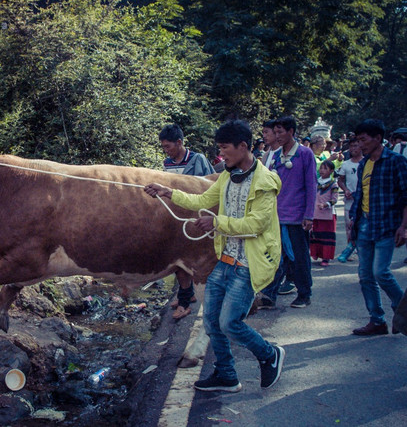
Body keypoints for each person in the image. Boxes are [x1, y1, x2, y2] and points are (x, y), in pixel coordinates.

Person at [144, 120, 285, 393]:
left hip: (249, 262)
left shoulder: (265, 182)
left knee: (229, 323)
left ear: (243, 147)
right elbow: (200, 201)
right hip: (226, 259)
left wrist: (216, 223)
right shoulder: (227, 176)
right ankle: (227, 375)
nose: (222, 155)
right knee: (210, 320)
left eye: (225, 149)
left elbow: (255, 225)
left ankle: (270, 354)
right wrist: (168, 192)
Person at [348, 119, 407, 336]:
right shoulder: (364, 163)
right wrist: (353, 223)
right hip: (364, 226)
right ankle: (377, 320)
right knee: (365, 275)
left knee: (381, 272)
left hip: (387, 226)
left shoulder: (396, 161)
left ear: (378, 139)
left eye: (364, 140)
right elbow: (360, 196)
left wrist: (403, 226)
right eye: (358, 140)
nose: (360, 144)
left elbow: (406, 195)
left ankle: (403, 312)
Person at [259, 116, 317, 309]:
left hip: (297, 217)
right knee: (275, 257)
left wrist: (309, 215)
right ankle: (269, 294)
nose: (277, 136)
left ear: (291, 131)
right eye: (274, 132)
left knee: (298, 257)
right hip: (276, 216)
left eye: (280, 132)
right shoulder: (275, 156)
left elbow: (311, 186)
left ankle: (304, 294)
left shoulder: (304, 154)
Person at [159, 124, 214, 319]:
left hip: (195, 215)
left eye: (168, 146)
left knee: (185, 261)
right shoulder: (167, 163)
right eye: (164, 147)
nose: (166, 150)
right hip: (176, 217)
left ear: (179, 143)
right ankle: (186, 294)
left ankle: (185, 301)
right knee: (176, 259)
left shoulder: (197, 159)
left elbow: (209, 186)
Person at [337, 138, 363, 263]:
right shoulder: (346, 164)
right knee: (349, 226)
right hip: (350, 200)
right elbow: (340, 180)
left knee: (362, 225)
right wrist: (346, 190)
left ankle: (361, 249)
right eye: (351, 146)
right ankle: (350, 249)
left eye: (356, 146)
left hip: (363, 200)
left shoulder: (366, 162)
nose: (353, 149)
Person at [310, 160, 338, 266]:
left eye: (325, 168)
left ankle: (326, 257)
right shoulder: (316, 182)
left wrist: (326, 205)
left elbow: (334, 199)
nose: (322, 170)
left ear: (331, 171)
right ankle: (316, 253)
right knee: (316, 235)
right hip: (316, 213)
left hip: (328, 215)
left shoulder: (333, 184)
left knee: (327, 236)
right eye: (321, 168)